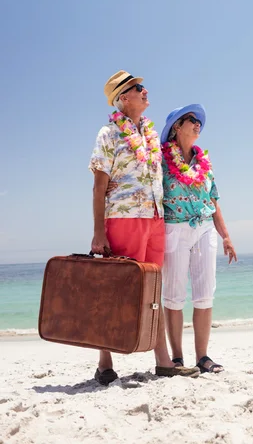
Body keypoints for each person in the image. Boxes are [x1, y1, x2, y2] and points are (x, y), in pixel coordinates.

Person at [89, 71, 200, 384]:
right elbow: (99, 187)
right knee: (116, 289)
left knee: (153, 290)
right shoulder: (108, 133)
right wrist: (99, 232)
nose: (145, 90)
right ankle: (104, 360)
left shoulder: (151, 137)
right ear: (124, 98)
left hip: (154, 218)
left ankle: (163, 360)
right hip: (123, 218)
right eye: (138, 88)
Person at [160, 104, 237, 373]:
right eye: (192, 120)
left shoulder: (205, 163)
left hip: (204, 228)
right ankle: (177, 358)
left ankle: (203, 357)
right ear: (176, 127)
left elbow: (213, 201)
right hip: (174, 230)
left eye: (199, 122)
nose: (198, 125)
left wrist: (225, 236)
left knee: (205, 295)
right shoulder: (160, 160)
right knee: (173, 296)